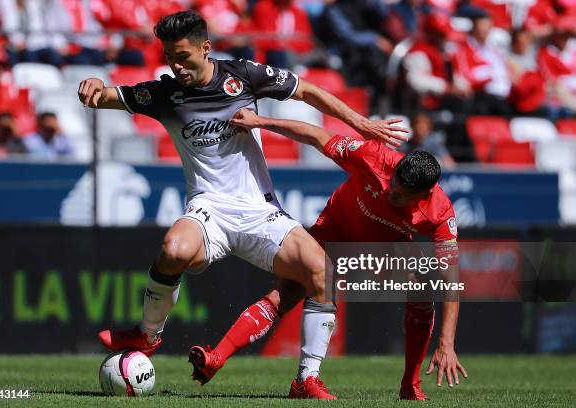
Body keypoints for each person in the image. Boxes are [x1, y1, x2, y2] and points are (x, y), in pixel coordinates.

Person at [77, 10, 406, 399]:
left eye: (183, 56)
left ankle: (306, 380)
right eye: (169, 56)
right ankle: (149, 336)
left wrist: (361, 124)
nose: (176, 65)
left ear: (206, 48)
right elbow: (109, 96)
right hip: (208, 208)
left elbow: (308, 91)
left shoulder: (244, 76)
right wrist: (96, 83)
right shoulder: (165, 94)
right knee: (172, 249)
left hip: (259, 210)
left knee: (323, 272)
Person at [188, 107, 467, 401]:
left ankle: (410, 385)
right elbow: (315, 135)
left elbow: (450, 280)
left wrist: (446, 344)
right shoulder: (374, 157)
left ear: (423, 195)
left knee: (423, 285)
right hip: (333, 231)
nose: (390, 190)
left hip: (384, 247)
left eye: (399, 194)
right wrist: (261, 122)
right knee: (285, 294)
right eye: (393, 180)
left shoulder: (439, 212)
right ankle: (217, 358)